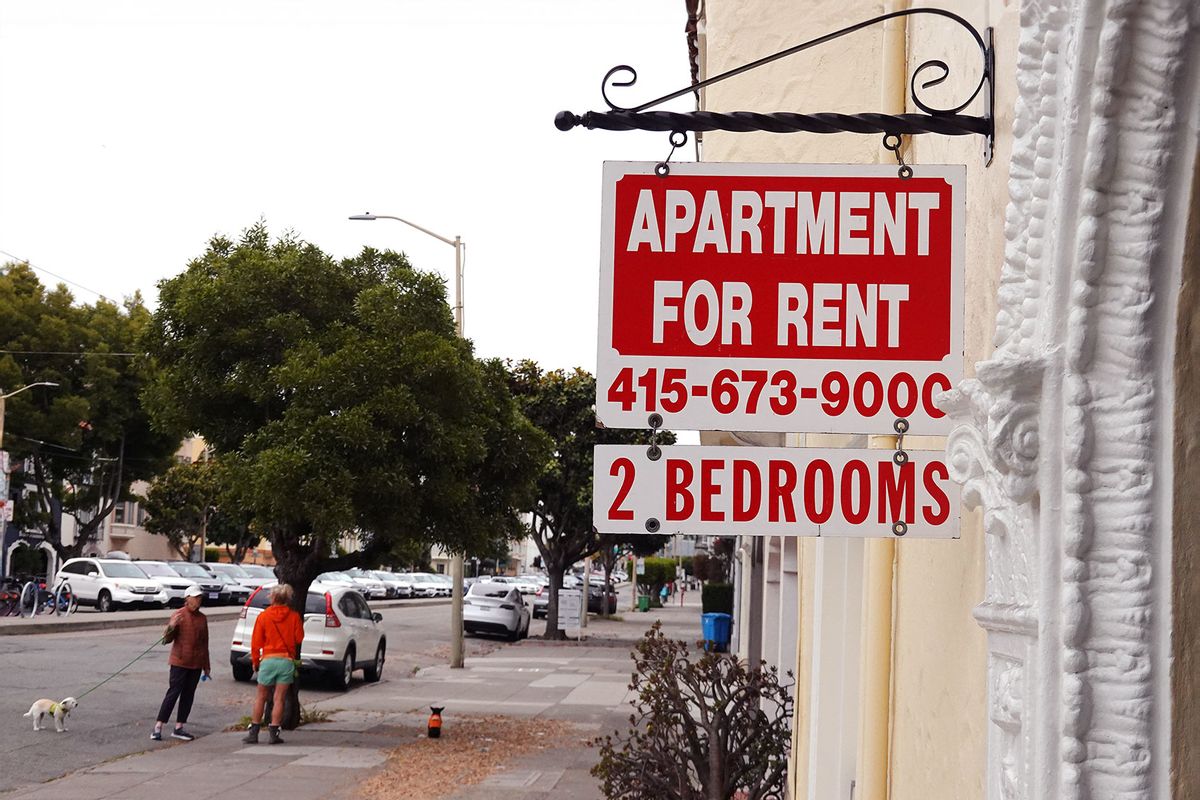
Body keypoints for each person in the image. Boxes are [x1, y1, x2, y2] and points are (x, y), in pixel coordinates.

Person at [243, 583, 304, 745]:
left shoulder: (263, 617)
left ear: (273, 598)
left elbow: (256, 643)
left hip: (269, 659)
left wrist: (255, 661)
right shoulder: (294, 616)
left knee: (261, 697)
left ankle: (254, 732)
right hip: (286, 660)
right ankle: (274, 732)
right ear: (287, 599)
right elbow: (299, 638)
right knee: (279, 699)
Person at [152, 585, 210, 741]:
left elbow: (205, 643)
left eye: (200, 597)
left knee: (188, 695)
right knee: (173, 693)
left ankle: (179, 726)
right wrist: (171, 625)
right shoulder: (179, 615)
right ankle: (158, 726)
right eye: (195, 597)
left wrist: (206, 666)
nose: (198, 600)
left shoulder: (202, 618)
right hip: (179, 662)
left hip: (196, 663)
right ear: (187, 598)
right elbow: (166, 640)